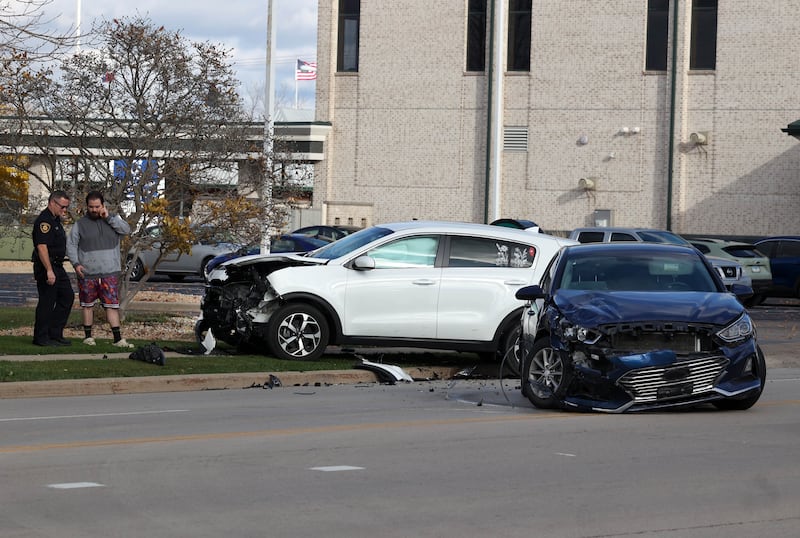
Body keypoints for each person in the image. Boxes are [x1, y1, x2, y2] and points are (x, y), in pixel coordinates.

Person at [66, 190, 133, 348]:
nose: (94, 210)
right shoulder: (80, 224)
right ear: (86, 206)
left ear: (103, 205)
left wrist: (108, 217)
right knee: (87, 305)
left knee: (111, 305)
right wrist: (76, 264)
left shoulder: (113, 220)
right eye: (91, 207)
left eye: (97, 206)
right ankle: (88, 337)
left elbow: (126, 230)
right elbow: (71, 245)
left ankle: (118, 339)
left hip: (109, 272)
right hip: (87, 273)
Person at [32, 190, 74, 346]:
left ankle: (54, 333)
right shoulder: (44, 221)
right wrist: (49, 270)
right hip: (47, 266)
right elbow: (42, 247)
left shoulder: (55, 220)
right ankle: (41, 338)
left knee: (67, 297)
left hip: (57, 265)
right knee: (47, 302)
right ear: (52, 203)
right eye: (62, 207)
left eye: (66, 207)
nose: (64, 210)